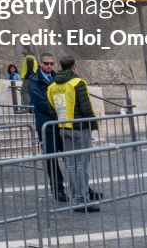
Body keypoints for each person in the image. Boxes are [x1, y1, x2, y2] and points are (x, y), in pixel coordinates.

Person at [48, 57, 101, 213]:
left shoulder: (52, 86)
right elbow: (86, 108)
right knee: (83, 164)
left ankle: (75, 198)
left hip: (63, 127)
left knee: (70, 164)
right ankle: (82, 199)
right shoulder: (78, 83)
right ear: (74, 68)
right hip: (79, 127)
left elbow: (52, 110)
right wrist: (94, 123)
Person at [28, 53, 67, 201]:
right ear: (40, 63)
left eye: (51, 63)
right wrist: (57, 110)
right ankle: (58, 189)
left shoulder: (58, 78)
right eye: (46, 63)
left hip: (60, 122)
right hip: (45, 123)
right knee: (51, 157)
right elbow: (38, 101)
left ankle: (81, 188)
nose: (49, 66)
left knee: (69, 156)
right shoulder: (34, 80)